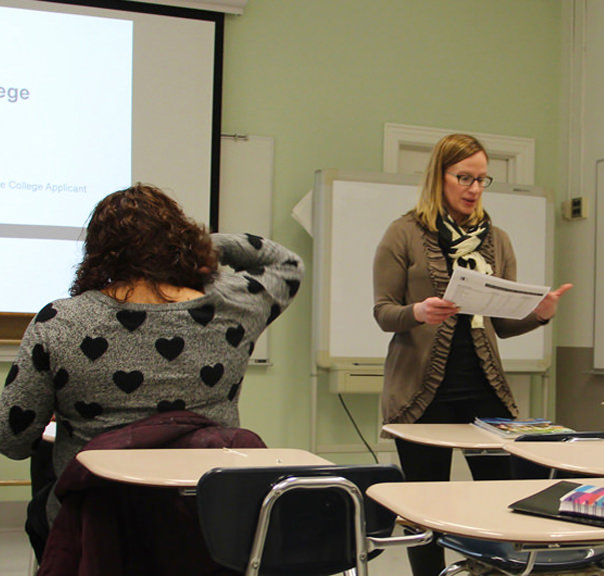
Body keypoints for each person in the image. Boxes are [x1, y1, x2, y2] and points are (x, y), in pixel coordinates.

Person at [0, 183, 304, 556]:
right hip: (206, 523)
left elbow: (12, 441)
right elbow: (286, 263)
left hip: (97, 526)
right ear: (181, 243)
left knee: (41, 496)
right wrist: (208, 247)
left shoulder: (60, 321)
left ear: (96, 253)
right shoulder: (235, 306)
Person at [373, 133, 572, 576]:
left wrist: (539, 314)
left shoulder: (495, 240)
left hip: (483, 389)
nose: (474, 188)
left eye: (483, 180)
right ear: (439, 178)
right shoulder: (403, 233)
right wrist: (419, 311)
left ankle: (490, 570)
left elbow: (501, 325)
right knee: (424, 504)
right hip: (422, 393)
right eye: (465, 178)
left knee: (498, 497)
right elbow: (384, 313)